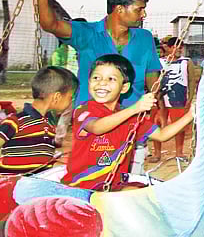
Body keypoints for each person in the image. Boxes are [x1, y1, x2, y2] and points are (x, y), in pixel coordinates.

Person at [27, 0, 162, 115]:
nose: (144, 15)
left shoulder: (145, 38)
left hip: (132, 118)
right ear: (120, 9)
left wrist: (158, 109)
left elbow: (151, 76)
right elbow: (51, 25)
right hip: (91, 118)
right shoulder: (87, 33)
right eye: (139, 9)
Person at [61, 54, 193, 191]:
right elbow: (97, 127)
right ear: (89, 82)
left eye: (111, 79)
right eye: (96, 78)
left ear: (124, 88)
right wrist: (135, 108)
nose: (102, 83)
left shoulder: (131, 118)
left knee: (154, 192)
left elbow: (162, 135)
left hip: (113, 184)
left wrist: (190, 115)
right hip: (82, 185)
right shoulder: (84, 110)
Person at [0, 66, 77, 184]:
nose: (71, 102)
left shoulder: (49, 122)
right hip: (16, 181)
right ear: (57, 97)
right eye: (70, 98)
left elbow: (42, 159)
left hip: (40, 177)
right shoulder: (15, 121)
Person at [153, 39, 199, 161]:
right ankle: (157, 154)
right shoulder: (160, 62)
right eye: (175, 47)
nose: (178, 50)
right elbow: (155, 80)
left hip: (179, 98)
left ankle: (179, 152)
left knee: (179, 126)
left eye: (180, 47)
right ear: (168, 48)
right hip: (161, 99)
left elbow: (191, 80)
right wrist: (157, 97)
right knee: (157, 125)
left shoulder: (186, 62)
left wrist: (190, 97)